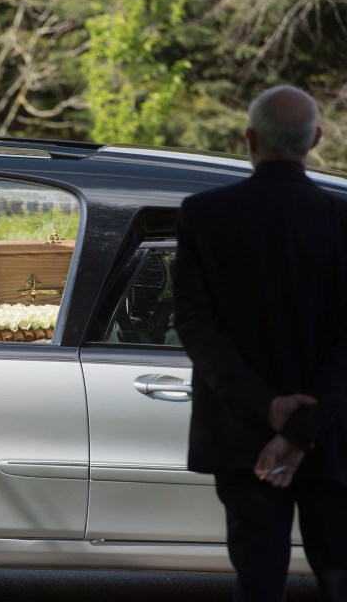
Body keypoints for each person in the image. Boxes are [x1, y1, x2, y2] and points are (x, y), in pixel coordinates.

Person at [174, 85, 347, 602]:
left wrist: (269, 411)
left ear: (248, 138)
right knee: (340, 578)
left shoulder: (203, 215)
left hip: (242, 437)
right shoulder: (342, 220)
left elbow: (195, 325)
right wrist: (304, 428)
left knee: (259, 583)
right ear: (314, 138)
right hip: (334, 434)